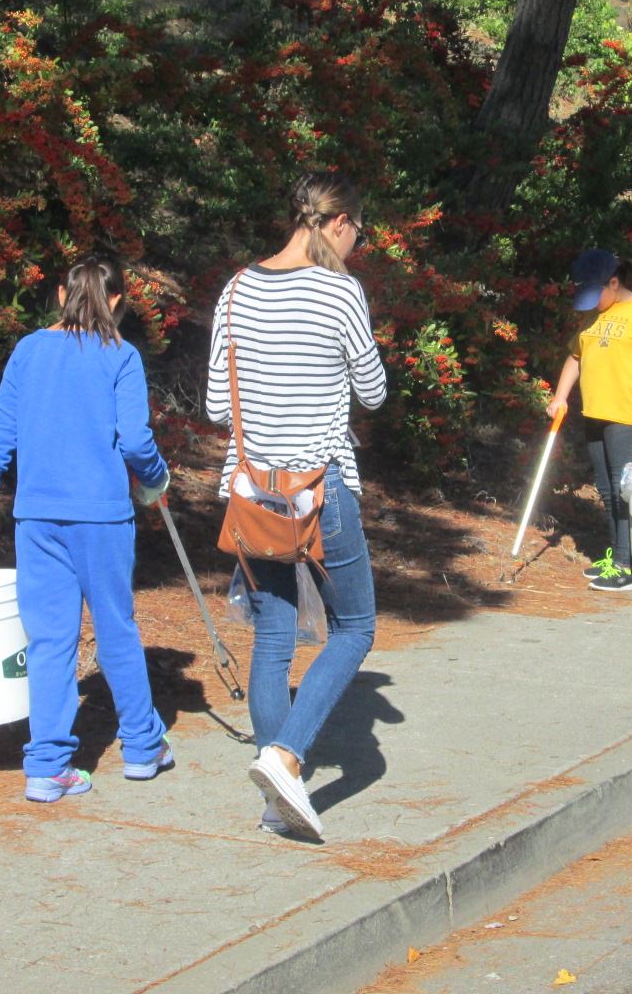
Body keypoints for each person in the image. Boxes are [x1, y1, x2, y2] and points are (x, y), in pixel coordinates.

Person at [0, 253, 174, 803]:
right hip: (102, 518)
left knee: (49, 641)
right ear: (117, 300)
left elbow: (1, 436)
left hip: (38, 519)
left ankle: (47, 767)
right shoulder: (121, 355)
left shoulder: (28, 351)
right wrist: (154, 480)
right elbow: (137, 440)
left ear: (58, 295)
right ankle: (143, 747)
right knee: (116, 628)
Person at [207, 173, 387, 841]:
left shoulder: (234, 291)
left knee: (274, 640)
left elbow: (214, 407)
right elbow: (373, 390)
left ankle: (274, 798)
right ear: (337, 221)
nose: (357, 243)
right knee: (356, 628)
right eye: (358, 231)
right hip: (320, 490)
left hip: (252, 494)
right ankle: (285, 758)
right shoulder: (340, 292)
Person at [546, 249, 632, 592]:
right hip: (595, 414)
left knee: (624, 491)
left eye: (595, 294)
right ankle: (619, 557)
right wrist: (560, 397)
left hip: (628, 417)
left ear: (614, 283)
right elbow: (576, 356)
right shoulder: (594, 316)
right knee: (606, 491)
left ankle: (625, 566)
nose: (591, 303)